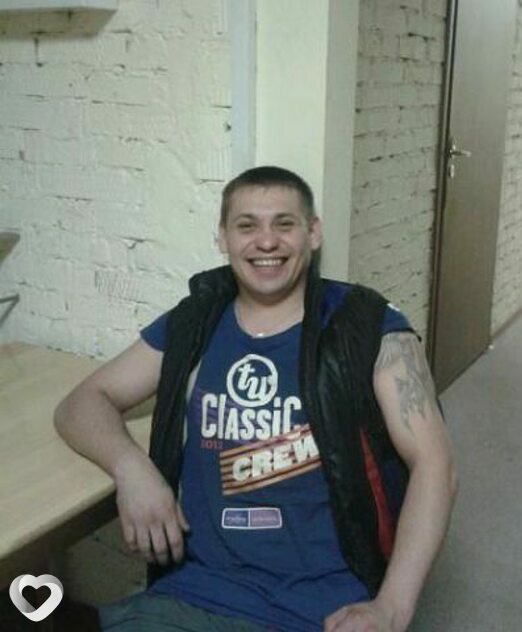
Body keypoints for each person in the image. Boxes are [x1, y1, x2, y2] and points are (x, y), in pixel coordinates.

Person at [54, 166, 457, 632]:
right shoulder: (195, 322)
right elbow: (82, 403)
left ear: (313, 233)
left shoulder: (367, 328)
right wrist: (132, 470)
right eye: (247, 226)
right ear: (223, 237)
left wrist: (390, 608)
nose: (266, 241)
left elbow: (436, 466)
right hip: (192, 595)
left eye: (284, 224)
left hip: (324, 608)